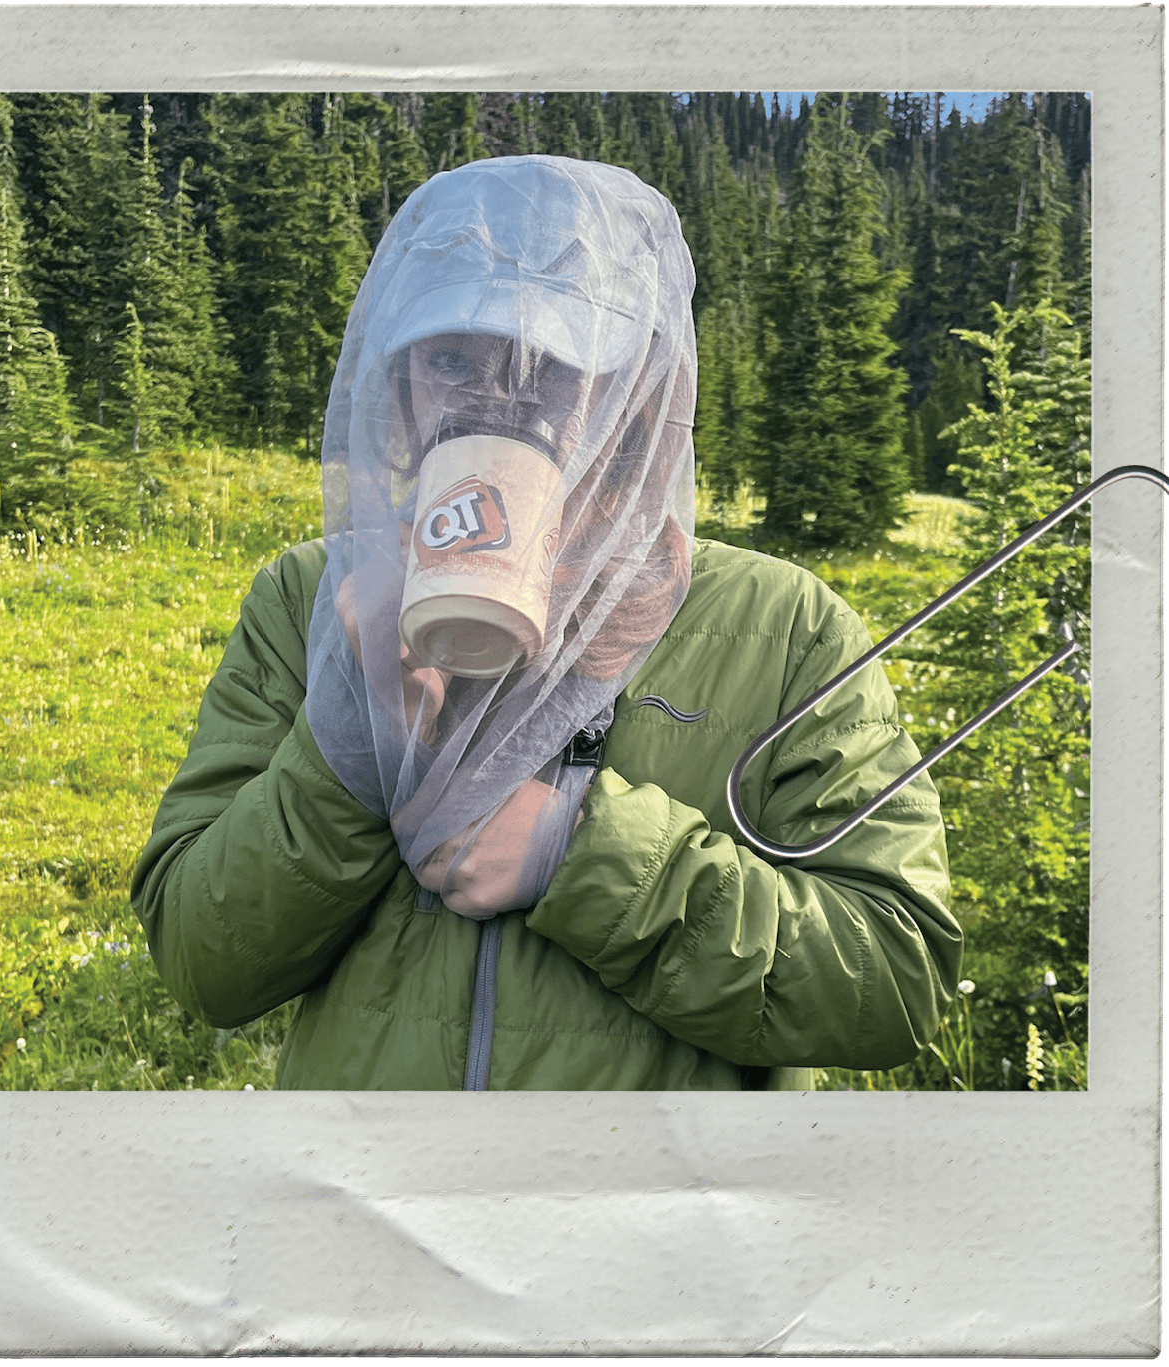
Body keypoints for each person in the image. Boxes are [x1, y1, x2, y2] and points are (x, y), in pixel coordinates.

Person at [132, 156, 961, 1091]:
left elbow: (897, 975)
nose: (501, 404)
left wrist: (588, 856)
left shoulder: (783, 627)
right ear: (399, 390)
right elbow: (204, 962)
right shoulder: (311, 600)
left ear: (640, 401)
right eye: (453, 360)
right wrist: (351, 744)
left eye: (558, 368)